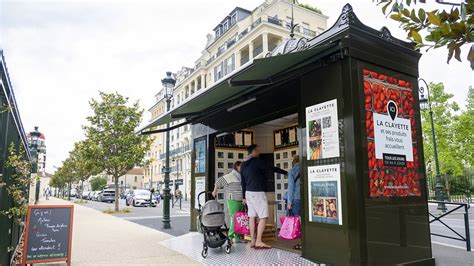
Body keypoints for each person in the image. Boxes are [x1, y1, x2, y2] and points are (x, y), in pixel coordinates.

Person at [241, 144, 287, 249]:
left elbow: (242, 182)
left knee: (251, 216)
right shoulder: (257, 161)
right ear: (253, 151)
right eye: (258, 150)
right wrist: (285, 172)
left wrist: (243, 196)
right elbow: (270, 168)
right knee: (263, 216)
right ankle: (258, 241)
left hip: (248, 193)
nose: (259, 152)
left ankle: (252, 241)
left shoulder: (243, 164)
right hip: (257, 192)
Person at [212, 161, 244, 243]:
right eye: (242, 166)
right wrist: (215, 191)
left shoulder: (240, 176)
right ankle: (230, 236)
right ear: (237, 166)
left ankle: (237, 238)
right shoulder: (231, 176)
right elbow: (218, 181)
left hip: (241, 200)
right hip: (233, 200)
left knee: (239, 219)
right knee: (235, 218)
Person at [287, 155, 301, 249]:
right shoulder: (305, 169)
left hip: (296, 199)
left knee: (298, 221)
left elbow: (291, 188)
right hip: (306, 198)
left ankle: (301, 242)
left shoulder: (292, 171)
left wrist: (289, 202)